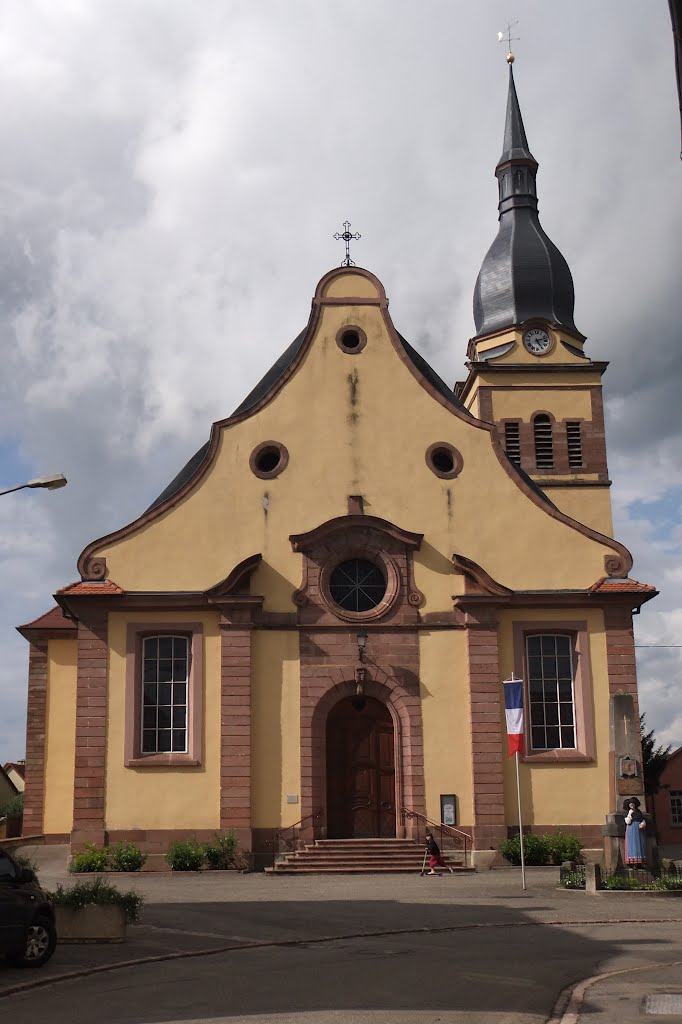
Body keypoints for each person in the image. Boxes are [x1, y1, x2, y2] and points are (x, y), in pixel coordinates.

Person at [623, 797, 647, 866]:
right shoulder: (627, 812)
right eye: (630, 804)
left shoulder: (638, 812)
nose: (632, 805)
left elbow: (642, 818)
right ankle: (634, 863)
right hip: (631, 829)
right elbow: (627, 821)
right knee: (632, 844)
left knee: (640, 844)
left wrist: (643, 823)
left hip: (639, 830)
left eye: (633, 804)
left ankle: (641, 862)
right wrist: (629, 814)